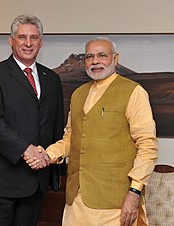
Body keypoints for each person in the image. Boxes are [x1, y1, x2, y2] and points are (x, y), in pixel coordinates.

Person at [25, 37, 158, 226]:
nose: (95, 61)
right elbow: (71, 138)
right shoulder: (78, 94)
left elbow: (147, 146)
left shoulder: (134, 92)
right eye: (89, 56)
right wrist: (46, 154)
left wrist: (135, 192)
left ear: (115, 58)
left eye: (102, 55)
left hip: (114, 202)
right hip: (76, 200)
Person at [0, 14, 64, 226]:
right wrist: (27, 149)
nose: (28, 43)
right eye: (22, 37)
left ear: (41, 41)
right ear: (11, 40)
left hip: (36, 180)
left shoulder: (52, 79)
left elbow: (55, 125)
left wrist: (50, 158)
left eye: (34, 37)